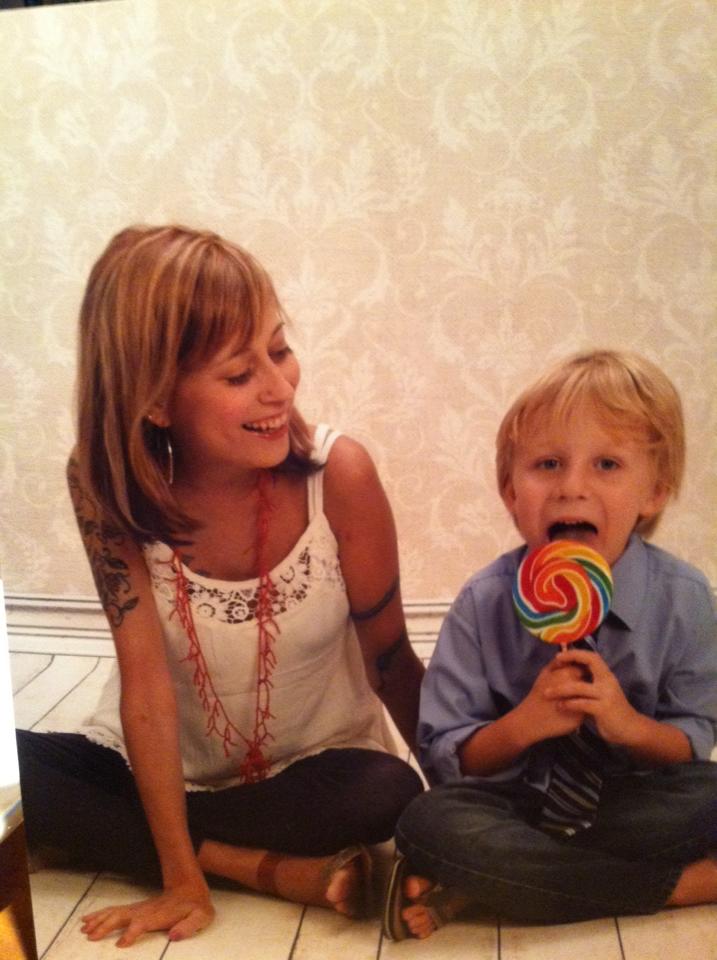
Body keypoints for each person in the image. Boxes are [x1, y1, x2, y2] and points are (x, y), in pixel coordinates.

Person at [16, 224, 425, 947]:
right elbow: (143, 681)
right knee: (17, 770)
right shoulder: (103, 483)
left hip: (316, 776)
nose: (279, 387)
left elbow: (391, 659)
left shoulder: (341, 475)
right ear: (155, 401)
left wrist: (465, 806)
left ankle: (109, 834)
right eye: (239, 375)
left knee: (383, 794)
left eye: (279, 349)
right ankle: (263, 869)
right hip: (167, 773)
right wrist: (182, 880)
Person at [383, 349, 717, 940]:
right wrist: (525, 723)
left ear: (655, 490)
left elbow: (690, 747)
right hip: (514, 807)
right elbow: (448, 757)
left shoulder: (685, 599)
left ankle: (490, 886)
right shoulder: (484, 602)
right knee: (425, 822)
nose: (572, 488)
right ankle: (680, 887)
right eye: (547, 464)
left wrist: (626, 725)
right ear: (511, 492)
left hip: (630, 804)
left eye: (608, 464)